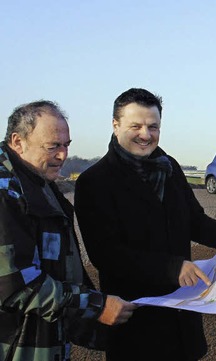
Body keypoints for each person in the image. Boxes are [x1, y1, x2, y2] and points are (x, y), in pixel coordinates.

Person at [74, 88, 216, 360]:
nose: (146, 134)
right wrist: (171, 268)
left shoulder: (170, 168)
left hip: (182, 316)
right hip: (137, 320)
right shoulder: (95, 182)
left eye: (153, 126)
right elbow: (105, 254)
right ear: (115, 125)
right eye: (136, 126)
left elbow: (194, 221)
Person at [0, 101, 136, 360]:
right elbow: (15, 285)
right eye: (53, 146)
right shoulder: (5, 193)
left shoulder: (37, 180)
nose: (62, 155)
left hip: (40, 340)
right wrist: (95, 306)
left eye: (66, 145)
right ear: (18, 142)